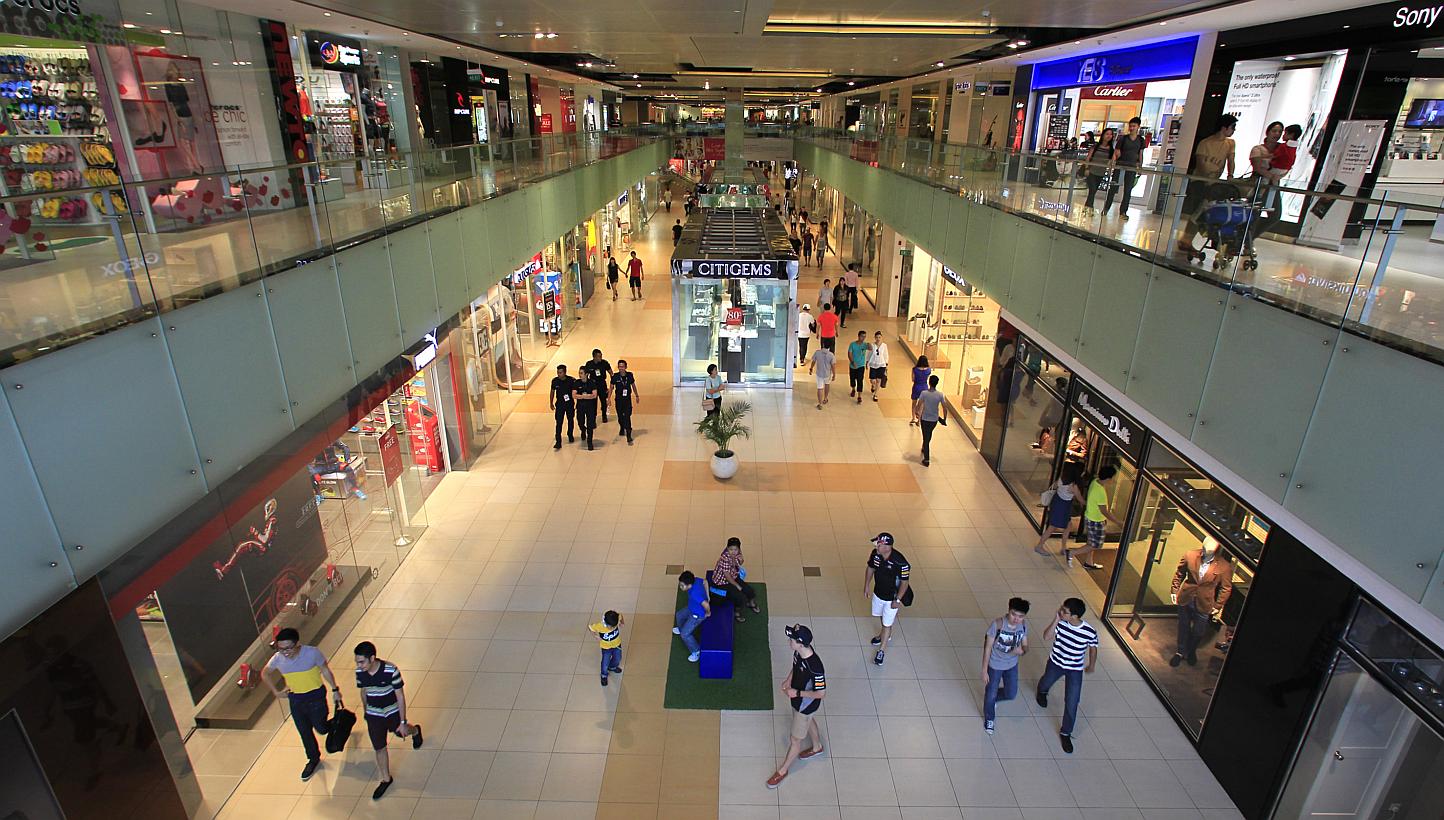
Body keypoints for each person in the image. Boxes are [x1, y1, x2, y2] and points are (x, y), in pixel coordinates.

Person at [261, 628, 343, 781]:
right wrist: (276, 691)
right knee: (304, 731)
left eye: (289, 648)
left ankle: (338, 724)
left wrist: (335, 689)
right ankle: (313, 759)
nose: (285, 652)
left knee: (321, 728)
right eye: (281, 648)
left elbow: (325, 670)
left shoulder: (312, 653)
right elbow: (265, 673)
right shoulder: (277, 659)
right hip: (296, 699)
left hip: (316, 697)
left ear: (297, 644)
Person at [353, 641, 422, 800]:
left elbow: (400, 696)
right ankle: (386, 778)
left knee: (400, 732)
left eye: (362, 661)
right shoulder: (360, 672)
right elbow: (364, 692)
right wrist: (366, 711)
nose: (359, 665)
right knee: (379, 747)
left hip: (392, 711)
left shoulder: (391, 670)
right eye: (357, 662)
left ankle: (415, 730)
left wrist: (403, 722)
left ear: (372, 658)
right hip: (374, 714)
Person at [766, 624, 826, 789]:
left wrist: (797, 693)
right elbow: (795, 668)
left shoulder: (816, 667)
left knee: (795, 740)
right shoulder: (798, 652)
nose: (789, 641)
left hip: (804, 705)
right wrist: (788, 680)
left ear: (800, 643)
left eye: (791, 639)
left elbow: (821, 693)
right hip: (797, 699)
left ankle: (782, 771)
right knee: (809, 720)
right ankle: (817, 747)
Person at [1036, 597, 1099, 754]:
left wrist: (1091, 664)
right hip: (1056, 663)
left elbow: (1093, 648)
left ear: (1075, 616)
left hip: (1074, 669)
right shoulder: (1061, 624)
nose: (1061, 612)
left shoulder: (1089, 632)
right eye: (1062, 609)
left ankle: (1066, 732)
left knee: (1072, 701)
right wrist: (1056, 619)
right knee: (1046, 681)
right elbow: (1046, 636)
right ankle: (1042, 691)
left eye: (1065, 611)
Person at [1176, 114, 1239, 254]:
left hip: (1214, 185)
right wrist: (1208, 181)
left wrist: (1230, 175)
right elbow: (1201, 165)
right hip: (1200, 182)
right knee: (1198, 212)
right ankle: (1185, 240)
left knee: (1204, 213)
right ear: (1224, 127)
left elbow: (1231, 160)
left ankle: (1188, 240)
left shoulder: (1230, 143)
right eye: (1232, 127)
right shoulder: (1205, 143)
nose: (1234, 130)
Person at [981, 598, 1030, 735]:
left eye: (1020, 616)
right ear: (1008, 611)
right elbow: (987, 648)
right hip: (995, 665)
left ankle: (994, 698)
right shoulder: (997, 625)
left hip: (1012, 665)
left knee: (1011, 693)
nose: (1016, 619)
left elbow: (1025, 644)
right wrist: (984, 670)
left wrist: (1022, 651)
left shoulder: (1023, 625)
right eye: (1014, 614)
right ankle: (989, 718)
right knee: (990, 693)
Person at [863, 533, 910, 665]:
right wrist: (866, 585)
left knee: (886, 623)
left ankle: (881, 650)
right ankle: (884, 634)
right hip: (878, 594)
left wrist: (898, 600)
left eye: (879, 544)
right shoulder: (875, 555)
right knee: (881, 617)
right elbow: (870, 568)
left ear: (888, 546)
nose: (876, 546)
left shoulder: (900, 562)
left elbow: (904, 582)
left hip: (892, 599)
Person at [1070, 465, 1116, 570]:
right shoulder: (1100, 492)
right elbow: (1104, 511)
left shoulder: (1095, 481)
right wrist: (1118, 522)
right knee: (1096, 545)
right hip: (1096, 521)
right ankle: (1072, 553)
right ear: (1109, 478)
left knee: (1091, 542)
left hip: (1090, 516)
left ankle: (1088, 562)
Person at [1035, 462, 1083, 555]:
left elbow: (1054, 486)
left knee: (1068, 526)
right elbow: (1080, 499)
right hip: (1064, 506)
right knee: (1053, 527)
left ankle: (1063, 548)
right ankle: (1039, 546)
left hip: (1057, 502)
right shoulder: (1073, 486)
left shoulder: (1062, 479)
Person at [712, 537, 761, 621]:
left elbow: (741, 562)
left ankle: (751, 603)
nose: (733, 552)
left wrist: (739, 559)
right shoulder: (724, 558)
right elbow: (727, 576)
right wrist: (737, 585)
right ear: (727, 548)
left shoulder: (738, 553)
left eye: (735, 549)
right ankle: (736, 613)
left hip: (733, 575)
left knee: (749, 590)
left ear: (739, 549)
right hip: (722, 582)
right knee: (739, 597)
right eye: (731, 549)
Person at [1112, 117, 1149, 219]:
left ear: (1138, 127)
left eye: (1134, 126)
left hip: (1132, 167)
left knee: (1128, 190)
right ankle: (1106, 208)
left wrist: (1140, 166)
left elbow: (1140, 153)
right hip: (1120, 165)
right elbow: (1117, 151)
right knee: (1113, 187)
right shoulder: (1123, 138)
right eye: (1131, 126)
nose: (1132, 128)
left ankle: (1123, 211)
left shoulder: (1141, 140)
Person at [672, 570, 710, 662]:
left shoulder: (694, 594)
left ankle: (696, 651)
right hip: (691, 607)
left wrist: (708, 613)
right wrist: (708, 596)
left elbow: (706, 605)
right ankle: (681, 629)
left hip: (697, 615)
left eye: (682, 585)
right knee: (679, 615)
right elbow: (705, 581)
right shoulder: (696, 580)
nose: (680, 587)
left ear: (689, 585)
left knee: (685, 635)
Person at [1082, 127, 1117, 215]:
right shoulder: (1096, 146)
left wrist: (1110, 168)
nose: (1109, 136)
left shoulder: (1111, 150)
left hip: (1100, 173)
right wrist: (1086, 168)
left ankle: (1087, 208)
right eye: (1107, 134)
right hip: (1091, 171)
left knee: (1093, 191)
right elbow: (1088, 157)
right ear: (1103, 135)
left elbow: (1112, 161)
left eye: (1110, 134)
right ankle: (1090, 208)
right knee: (1092, 189)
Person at [915, 374, 946, 467]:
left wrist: (917, 412)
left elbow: (919, 404)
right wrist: (944, 418)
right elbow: (945, 407)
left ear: (929, 383)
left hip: (925, 418)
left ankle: (927, 458)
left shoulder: (924, 393)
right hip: (934, 420)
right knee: (929, 434)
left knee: (926, 436)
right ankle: (925, 447)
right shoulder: (940, 395)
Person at [588, 610, 625, 686]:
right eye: (610, 627)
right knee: (605, 662)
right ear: (605, 623)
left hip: (617, 644)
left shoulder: (616, 618)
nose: (612, 628)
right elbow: (590, 627)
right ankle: (604, 675)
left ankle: (612, 667)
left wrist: (622, 622)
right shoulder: (600, 626)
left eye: (614, 627)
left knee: (618, 658)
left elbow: (620, 616)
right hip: (606, 647)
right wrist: (596, 636)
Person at [611, 359, 639, 445]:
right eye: (619, 367)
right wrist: (608, 399)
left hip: (627, 400)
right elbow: (611, 388)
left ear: (625, 367)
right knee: (620, 417)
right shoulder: (615, 377)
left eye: (622, 367)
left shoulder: (629, 376)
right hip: (619, 400)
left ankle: (629, 434)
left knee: (627, 416)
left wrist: (637, 395)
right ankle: (622, 427)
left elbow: (633, 385)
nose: (621, 368)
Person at [549, 364, 576, 449]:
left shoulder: (571, 380)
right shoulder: (555, 381)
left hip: (569, 404)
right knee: (559, 423)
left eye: (560, 372)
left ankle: (570, 434)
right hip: (560, 404)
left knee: (570, 420)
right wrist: (551, 402)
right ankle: (558, 441)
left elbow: (575, 392)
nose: (559, 374)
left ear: (565, 372)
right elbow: (552, 391)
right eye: (558, 372)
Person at [572, 368, 600, 451]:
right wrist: (586, 396)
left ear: (586, 374)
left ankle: (589, 442)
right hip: (580, 406)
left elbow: (594, 395)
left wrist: (582, 396)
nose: (580, 375)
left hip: (590, 407)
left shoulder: (592, 382)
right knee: (580, 421)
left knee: (590, 424)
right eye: (579, 373)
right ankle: (583, 430)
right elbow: (574, 395)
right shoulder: (577, 383)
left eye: (581, 373)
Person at [808, 342, 836, 409]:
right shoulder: (831, 355)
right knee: (827, 384)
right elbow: (833, 365)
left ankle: (820, 404)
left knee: (820, 388)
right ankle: (825, 398)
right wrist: (834, 374)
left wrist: (811, 368)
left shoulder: (817, 353)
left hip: (819, 374)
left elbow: (813, 361)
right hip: (827, 374)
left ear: (822, 345)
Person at [846, 331, 870, 404]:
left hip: (861, 366)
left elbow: (871, 349)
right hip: (853, 366)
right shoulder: (852, 345)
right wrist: (853, 362)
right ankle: (853, 389)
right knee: (852, 379)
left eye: (864, 336)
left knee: (860, 380)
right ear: (858, 336)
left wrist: (869, 345)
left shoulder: (865, 345)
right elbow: (849, 354)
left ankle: (859, 396)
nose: (863, 338)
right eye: (862, 336)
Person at [909, 355, 931, 426]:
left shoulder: (915, 369)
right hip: (924, 387)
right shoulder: (928, 370)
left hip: (916, 387)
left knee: (914, 403)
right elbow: (927, 378)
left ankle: (913, 418)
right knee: (922, 405)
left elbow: (913, 379)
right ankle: (919, 420)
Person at [867, 330, 889, 401]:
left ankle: (875, 394)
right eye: (877, 337)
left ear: (881, 337)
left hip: (881, 365)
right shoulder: (872, 345)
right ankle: (873, 386)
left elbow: (886, 355)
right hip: (873, 364)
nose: (878, 339)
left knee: (878, 380)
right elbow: (869, 354)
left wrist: (886, 364)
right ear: (875, 338)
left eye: (879, 337)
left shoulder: (884, 346)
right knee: (872, 380)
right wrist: (867, 362)